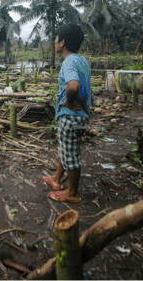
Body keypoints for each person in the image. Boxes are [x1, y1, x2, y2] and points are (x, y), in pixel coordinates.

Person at [44, 23, 92, 203]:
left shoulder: (69, 62)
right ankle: (56, 179)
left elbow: (73, 86)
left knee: (70, 155)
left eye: (55, 39)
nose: (54, 42)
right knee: (66, 149)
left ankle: (72, 193)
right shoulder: (82, 61)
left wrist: (68, 101)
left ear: (62, 42)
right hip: (81, 116)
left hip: (70, 116)